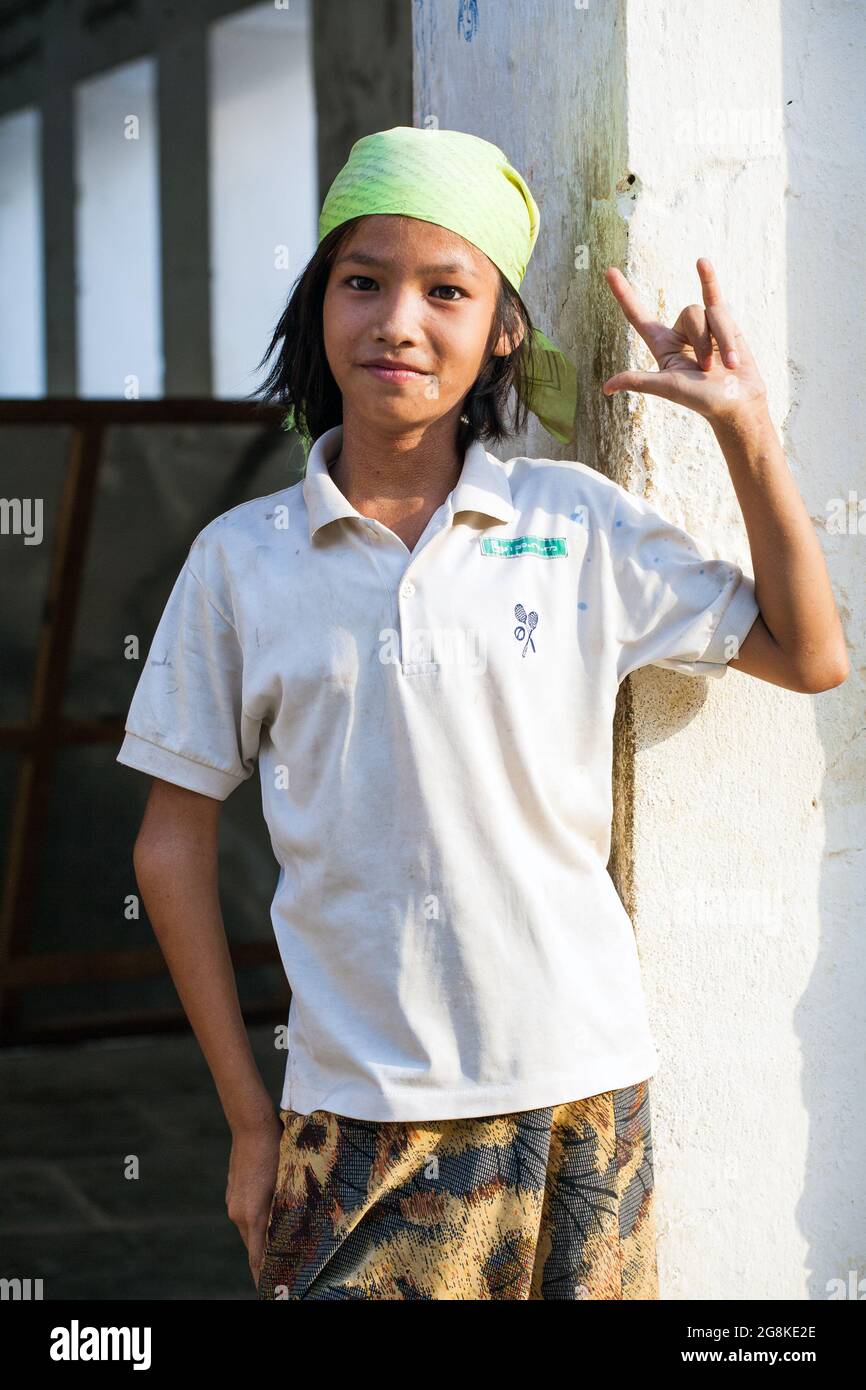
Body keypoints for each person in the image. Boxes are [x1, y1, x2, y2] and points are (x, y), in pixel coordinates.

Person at [117, 126, 848, 1300]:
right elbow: (170, 841)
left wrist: (741, 426)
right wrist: (250, 1121)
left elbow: (809, 655)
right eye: (362, 281)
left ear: (502, 330)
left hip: (580, 1102)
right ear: (318, 308)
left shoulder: (574, 525)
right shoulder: (241, 562)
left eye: (445, 290)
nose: (397, 320)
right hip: (349, 1120)